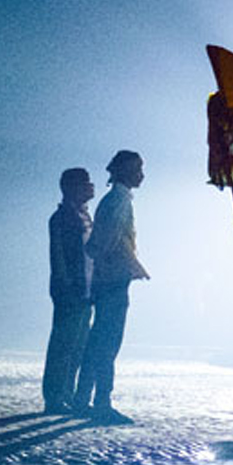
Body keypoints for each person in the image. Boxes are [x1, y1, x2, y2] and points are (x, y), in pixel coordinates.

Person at [77, 149, 148, 423]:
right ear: (125, 171)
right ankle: (100, 402)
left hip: (108, 278)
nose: (141, 174)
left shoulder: (114, 200)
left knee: (99, 340)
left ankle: (84, 398)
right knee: (107, 341)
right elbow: (106, 243)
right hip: (113, 280)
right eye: (138, 168)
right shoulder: (119, 201)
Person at [41, 166, 95, 413]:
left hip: (85, 289)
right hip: (70, 290)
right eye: (85, 183)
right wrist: (65, 286)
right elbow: (58, 256)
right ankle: (54, 396)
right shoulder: (61, 218)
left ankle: (66, 394)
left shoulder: (84, 216)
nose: (90, 186)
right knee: (63, 344)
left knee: (78, 344)